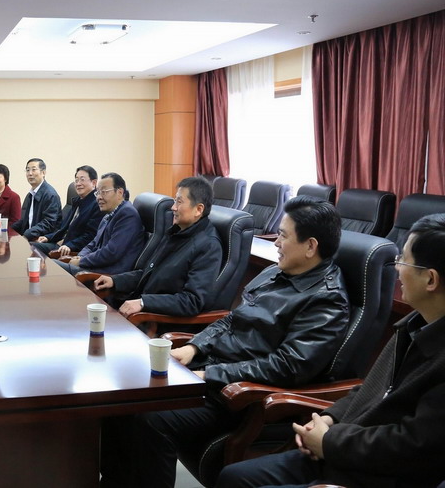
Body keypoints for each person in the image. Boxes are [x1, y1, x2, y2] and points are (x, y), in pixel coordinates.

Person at [100, 196, 350, 488]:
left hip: (240, 397)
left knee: (150, 420)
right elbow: (232, 320)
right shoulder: (275, 273)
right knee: (121, 398)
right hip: (213, 372)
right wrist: (194, 347)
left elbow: (287, 366)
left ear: (310, 246)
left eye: (283, 236)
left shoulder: (326, 300)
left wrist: (210, 374)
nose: (276, 243)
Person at [216, 213, 445, 488]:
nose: (397, 268)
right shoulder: (412, 325)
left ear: (430, 280)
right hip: (344, 450)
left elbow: (413, 446)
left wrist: (329, 441)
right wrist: (328, 417)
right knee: (234, 477)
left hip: (377, 474)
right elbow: (370, 388)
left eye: (403, 260)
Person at [93, 176, 222, 318]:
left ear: (198, 209)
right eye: (174, 200)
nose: (173, 207)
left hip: (158, 321)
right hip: (139, 306)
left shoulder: (208, 246)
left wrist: (144, 303)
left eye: (179, 202)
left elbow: (192, 301)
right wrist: (115, 280)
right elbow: (149, 274)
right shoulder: (176, 232)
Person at [58, 172, 144, 276]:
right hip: (94, 267)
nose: (99, 197)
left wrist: (82, 261)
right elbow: (94, 243)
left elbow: (111, 252)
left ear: (120, 192)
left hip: (106, 275)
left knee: (53, 267)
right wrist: (81, 256)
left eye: (104, 192)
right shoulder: (109, 214)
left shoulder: (127, 214)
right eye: (98, 193)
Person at [33, 165, 103, 257]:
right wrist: (47, 237)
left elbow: (91, 236)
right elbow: (64, 229)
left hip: (72, 250)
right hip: (61, 244)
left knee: (33, 248)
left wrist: (70, 245)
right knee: (30, 245)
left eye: (82, 180)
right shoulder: (77, 201)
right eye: (76, 180)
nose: (78, 184)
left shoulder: (97, 205)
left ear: (94, 183)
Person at [11, 158, 61, 240]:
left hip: (44, 239)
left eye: (34, 170)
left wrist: (27, 235)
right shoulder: (32, 194)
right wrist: (9, 230)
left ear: (43, 173)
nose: (30, 173)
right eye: (27, 170)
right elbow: (26, 220)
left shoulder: (50, 194)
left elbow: (49, 223)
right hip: (31, 236)